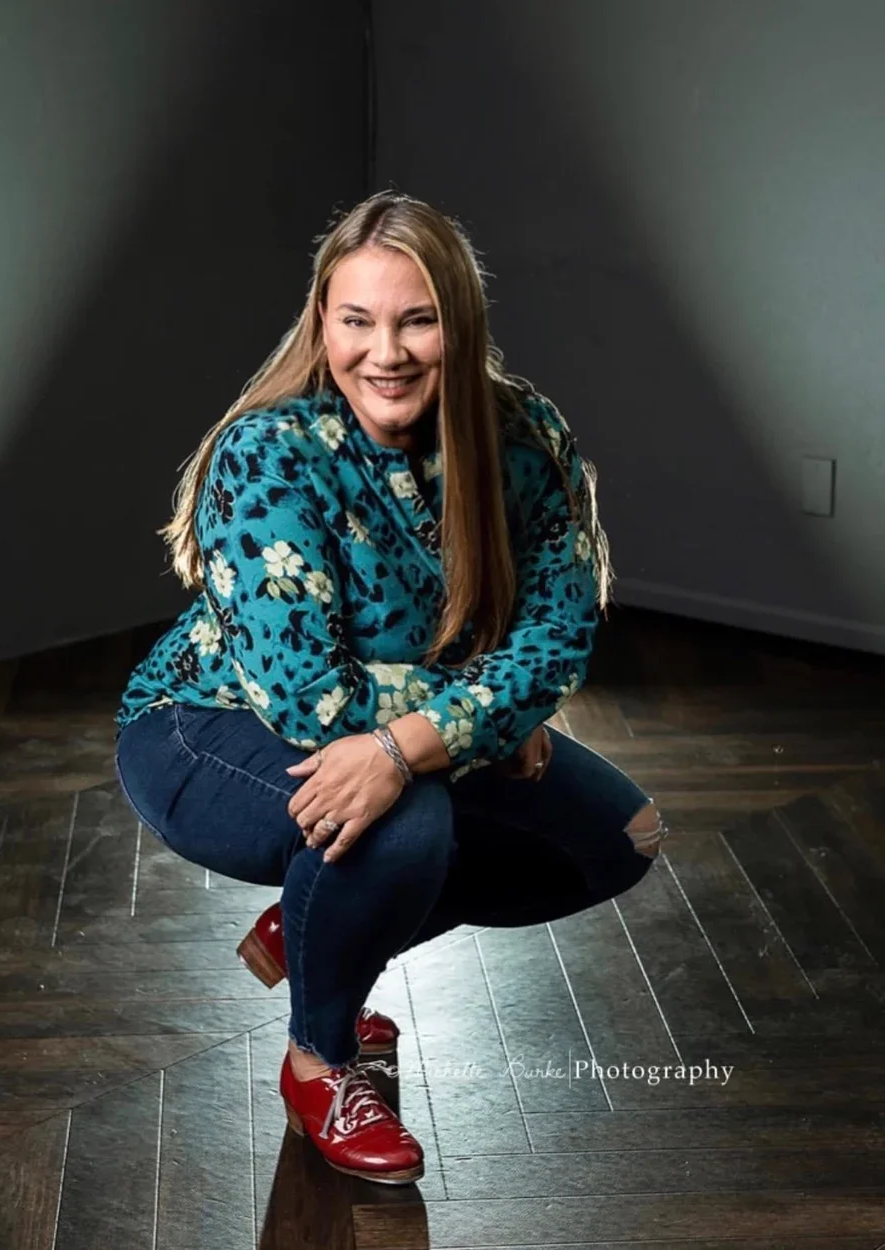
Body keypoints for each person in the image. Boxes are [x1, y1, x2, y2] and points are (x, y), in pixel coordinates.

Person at [113, 190, 667, 1186]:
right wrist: (482, 723)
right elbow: (308, 700)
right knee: (405, 817)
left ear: (460, 321)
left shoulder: (525, 435)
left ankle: (322, 926)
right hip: (203, 727)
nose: (387, 351)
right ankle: (320, 1057)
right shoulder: (270, 451)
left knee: (616, 836)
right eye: (356, 320)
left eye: (417, 319)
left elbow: (556, 642)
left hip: (389, 732)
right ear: (321, 322)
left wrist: (439, 729)